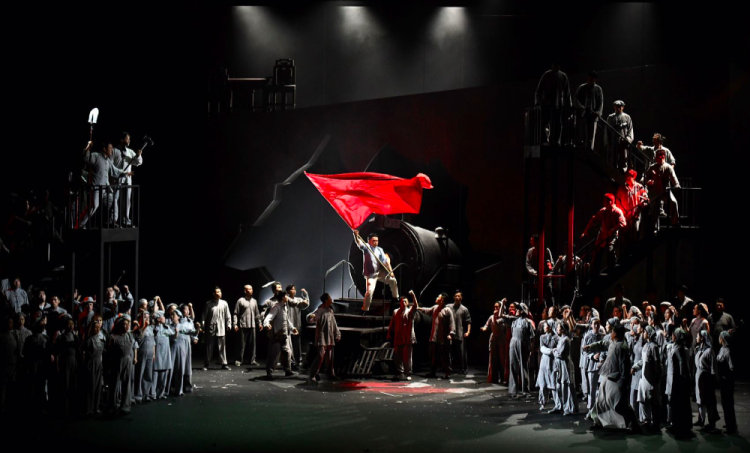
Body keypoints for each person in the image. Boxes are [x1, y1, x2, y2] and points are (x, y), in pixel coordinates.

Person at [585, 319, 639, 431]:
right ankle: (598, 421)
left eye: (613, 332)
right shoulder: (612, 342)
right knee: (600, 400)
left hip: (616, 379)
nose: (611, 333)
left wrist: (622, 383)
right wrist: (591, 347)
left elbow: (625, 368)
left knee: (620, 404)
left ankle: (634, 424)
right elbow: (602, 344)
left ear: (616, 334)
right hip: (607, 376)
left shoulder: (622, 347)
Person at [79, 140, 132, 227]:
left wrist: (125, 173)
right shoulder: (96, 156)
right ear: (104, 149)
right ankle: (79, 225)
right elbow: (85, 158)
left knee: (113, 202)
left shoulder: (108, 160)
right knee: (93, 207)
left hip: (105, 189)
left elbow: (115, 170)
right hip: (96, 189)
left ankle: (112, 222)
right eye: (110, 148)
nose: (112, 150)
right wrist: (88, 147)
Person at [581, 194, 626, 276]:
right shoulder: (603, 211)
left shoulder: (617, 212)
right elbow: (593, 219)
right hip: (602, 235)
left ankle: (612, 268)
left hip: (612, 235)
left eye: (606, 201)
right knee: (597, 253)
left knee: (610, 250)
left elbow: (623, 223)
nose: (604, 202)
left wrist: (613, 229)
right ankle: (594, 273)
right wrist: (585, 231)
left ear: (611, 202)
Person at [353, 231, 399, 312]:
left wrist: (391, 271)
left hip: (379, 272)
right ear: (369, 241)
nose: (375, 242)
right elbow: (359, 243)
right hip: (371, 275)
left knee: (393, 280)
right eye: (373, 241)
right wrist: (356, 236)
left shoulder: (379, 250)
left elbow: (385, 261)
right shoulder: (366, 247)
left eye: (377, 241)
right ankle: (365, 309)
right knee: (369, 292)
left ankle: (395, 298)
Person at [417, 292, 455, 379]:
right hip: (434, 337)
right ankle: (433, 372)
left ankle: (447, 372)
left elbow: (451, 323)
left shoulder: (447, 310)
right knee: (433, 356)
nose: (437, 297)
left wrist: (451, 334)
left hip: (443, 338)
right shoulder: (435, 308)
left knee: (445, 356)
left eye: (438, 297)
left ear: (442, 300)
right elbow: (427, 310)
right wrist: (418, 308)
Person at [534, 61, 572, 146]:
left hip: (558, 105)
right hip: (547, 105)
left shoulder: (563, 76)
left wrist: (569, 106)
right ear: (552, 65)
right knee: (545, 123)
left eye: (557, 65)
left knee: (558, 124)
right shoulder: (546, 75)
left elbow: (567, 93)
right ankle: (545, 141)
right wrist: (539, 103)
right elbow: (538, 91)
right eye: (554, 65)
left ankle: (556, 142)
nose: (555, 67)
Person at [502, 302, 536, 398]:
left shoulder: (528, 322)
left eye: (518, 309)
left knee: (524, 367)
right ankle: (513, 391)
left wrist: (531, 349)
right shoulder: (513, 320)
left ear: (523, 311)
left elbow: (532, 337)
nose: (516, 310)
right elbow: (501, 316)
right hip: (513, 342)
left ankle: (525, 391)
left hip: (523, 343)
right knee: (513, 365)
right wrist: (502, 304)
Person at [263, 290, 299, 379]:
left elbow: (287, 320)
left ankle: (288, 370)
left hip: (284, 335)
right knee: (274, 355)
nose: (288, 297)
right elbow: (268, 317)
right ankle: (269, 373)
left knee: (287, 353)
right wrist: (267, 324)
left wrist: (292, 328)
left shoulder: (285, 307)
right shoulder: (276, 307)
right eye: (286, 296)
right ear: (283, 297)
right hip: (277, 335)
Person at [306, 293, 341, 383]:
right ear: (326, 300)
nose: (331, 299)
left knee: (330, 357)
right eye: (329, 298)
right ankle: (313, 374)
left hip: (330, 336)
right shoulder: (320, 310)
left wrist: (337, 334)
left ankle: (330, 373)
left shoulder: (330, 311)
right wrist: (310, 317)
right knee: (320, 356)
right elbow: (312, 319)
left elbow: (334, 324)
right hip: (322, 337)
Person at [111, 132, 143, 227]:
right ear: (121, 139)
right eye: (127, 138)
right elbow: (110, 165)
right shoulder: (114, 151)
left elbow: (138, 163)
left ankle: (125, 220)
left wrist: (138, 156)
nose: (129, 140)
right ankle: (113, 220)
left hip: (127, 180)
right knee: (114, 199)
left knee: (127, 200)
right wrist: (121, 172)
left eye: (129, 138)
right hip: (116, 179)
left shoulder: (130, 151)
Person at [645, 149, 681, 233]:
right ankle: (654, 228)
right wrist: (648, 182)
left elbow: (673, 177)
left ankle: (675, 223)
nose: (660, 158)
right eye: (658, 156)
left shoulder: (668, 167)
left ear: (664, 157)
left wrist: (676, 184)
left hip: (665, 191)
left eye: (662, 156)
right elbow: (646, 178)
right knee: (654, 208)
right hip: (655, 192)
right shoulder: (652, 167)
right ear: (656, 157)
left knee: (673, 202)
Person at [106, 314, 136, 415]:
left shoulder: (130, 335)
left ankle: (125, 406)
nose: (126, 326)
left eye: (127, 324)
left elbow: (139, 332)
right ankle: (112, 406)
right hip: (117, 361)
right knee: (114, 384)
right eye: (124, 324)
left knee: (127, 384)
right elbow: (109, 352)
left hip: (127, 360)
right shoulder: (114, 337)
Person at [666, 328, 692, 436]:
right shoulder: (677, 347)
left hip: (678, 380)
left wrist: (681, 375)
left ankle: (679, 426)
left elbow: (681, 362)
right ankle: (677, 424)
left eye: (673, 334)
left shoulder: (679, 348)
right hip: (676, 378)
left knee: (678, 403)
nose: (672, 336)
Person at [634, 325, 661, 430]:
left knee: (653, 400)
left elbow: (657, 363)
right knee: (643, 399)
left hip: (651, 377)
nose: (643, 333)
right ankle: (646, 420)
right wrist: (635, 367)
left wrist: (656, 378)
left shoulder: (654, 347)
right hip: (644, 376)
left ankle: (655, 422)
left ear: (649, 334)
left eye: (645, 332)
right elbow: (643, 361)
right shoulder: (645, 345)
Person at [388, 292, 418, 381]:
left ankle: (408, 373)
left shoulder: (410, 311)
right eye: (402, 301)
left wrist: (413, 295)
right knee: (397, 356)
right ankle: (400, 373)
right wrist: (389, 333)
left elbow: (415, 306)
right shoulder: (396, 311)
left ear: (407, 303)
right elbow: (392, 323)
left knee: (407, 357)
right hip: (398, 336)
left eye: (405, 301)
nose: (403, 303)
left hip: (407, 337)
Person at [615, 170, 648, 252]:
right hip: (625, 215)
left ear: (634, 177)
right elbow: (617, 201)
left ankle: (633, 251)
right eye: (626, 176)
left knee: (635, 233)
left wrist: (642, 203)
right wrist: (622, 213)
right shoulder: (621, 188)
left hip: (635, 214)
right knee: (624, 236)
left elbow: (645, 198)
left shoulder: (639, 187)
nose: (626, 178)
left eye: (629, 176)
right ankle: (624, 253)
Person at [52, 314, 78, 417]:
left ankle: (72, 409)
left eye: (72, 324)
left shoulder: (75, 336)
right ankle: (64, 410)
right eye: (69, 324)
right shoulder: (61, 337)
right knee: (65, 385)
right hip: (65, 362)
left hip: (73, 362)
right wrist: (57, 365)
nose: (71, 326)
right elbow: (57, 353)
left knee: (73, 385)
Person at [694, 330, 719, 432]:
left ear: (702, 338)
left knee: (708, 400)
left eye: (698, 336)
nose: (696, 338)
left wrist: (714, 379)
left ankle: (711, 423)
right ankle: (701, 419)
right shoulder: (698, 350)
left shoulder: (709, 351)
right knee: (699, 398)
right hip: (698, 376)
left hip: (706, 377)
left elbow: (713, 367)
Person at [202, 287, 232, 370]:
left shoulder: (224, 303)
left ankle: (224, 363)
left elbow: (228, 315)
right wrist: (203, 326)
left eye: (220, 291)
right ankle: (206, 364)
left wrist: (229, 324)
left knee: (222, 347)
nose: (219, 293)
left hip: (221, 328)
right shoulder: (209, 304)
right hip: (211, 328)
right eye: (217, 292)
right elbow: (204, 316)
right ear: (214, 294)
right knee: (209, 347)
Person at [81, 313, 105, 417]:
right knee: (91, 386)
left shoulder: (100, 339)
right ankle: (89, 408)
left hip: (99, 364)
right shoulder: (89, 340)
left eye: (99, 327)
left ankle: (96, 407)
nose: (97, 329)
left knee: (98, 386)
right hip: (91, 364)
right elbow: (82, 351)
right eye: (95, 327)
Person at [551, 321, 577, 415]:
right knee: (561, 386)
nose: (557, 329)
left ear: (562, 329)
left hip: (565, 364)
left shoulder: (565, 340)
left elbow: (560, 354)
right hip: (560, 365)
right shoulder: (561, 339)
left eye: (558, 327)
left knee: (567, 385)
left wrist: (554, 351)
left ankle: (570, 408)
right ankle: (562, 406)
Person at [233, 285, 262, 368]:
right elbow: (235, 313)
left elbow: (257, 314)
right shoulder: (240, 300)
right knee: (241, 344)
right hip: (243, 325)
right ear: (245, 291)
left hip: (252, 325)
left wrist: (259, 323)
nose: (250, 290)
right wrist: (235, 324)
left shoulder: (254, 301)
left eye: (251, 289)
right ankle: (239, 360)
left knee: (253, 344)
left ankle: (252, 360)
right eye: (248, 289)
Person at [574, 71, 604, 150]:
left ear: (595, 79)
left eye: (592, 78)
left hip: (593, 115)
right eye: (590, 77)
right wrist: (581, 107)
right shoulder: (582, 87)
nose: (590, 79)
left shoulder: (598, 89)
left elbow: (600, 102)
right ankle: (581, 148)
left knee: (591, 135)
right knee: (581, 133)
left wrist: (598, 112)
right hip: (582, 114)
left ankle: (590, 149)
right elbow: (576, 99)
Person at [525, 235, 554, 312]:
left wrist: (549, 273)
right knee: (533, 296)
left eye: (532, 240)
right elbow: (528, 264)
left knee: (548, 295)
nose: (530, 242)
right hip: (534, 278)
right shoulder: (530, 251)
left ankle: (551, 311)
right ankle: (534, 311)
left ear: (536, 241)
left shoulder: (546, 250)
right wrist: (534, 272)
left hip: (545, 278)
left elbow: (550, 263)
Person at [170, 309, 196, 396]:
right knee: (170, 370)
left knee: (180, 369)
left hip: (181, 349)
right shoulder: (169, 326)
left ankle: (179, 390)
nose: (171, 317)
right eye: (171, 315)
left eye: (173, 315)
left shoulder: (182, 326)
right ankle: (167, 390)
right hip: (171, 349)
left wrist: (197, 330)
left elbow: (192, 332)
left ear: (178, 317)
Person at [603, 100, 634, 171]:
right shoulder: (610, 117)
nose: (618, 108)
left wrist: (628, 139)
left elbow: (630, 130)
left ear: (623, 107)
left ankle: (623, 172)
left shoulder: (627, 117)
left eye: (620, 106)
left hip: (624, 142)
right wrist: (607, 142)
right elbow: (607, 130)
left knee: (624, 160)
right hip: (613, 141)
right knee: (613, 159)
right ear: (614, 107)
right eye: (617, 106)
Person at [481, 300, 507, 384]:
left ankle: (503, 378)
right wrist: (484, 328)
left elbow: (496, 323)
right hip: (493, 339)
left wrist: (496, 315)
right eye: (494, 307)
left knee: (502, 359)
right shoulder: (491, 317)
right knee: (493, 359)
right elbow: (487, 325)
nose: (495, 308)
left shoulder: (503, 317)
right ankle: (493, 378)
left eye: (497, 307)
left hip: (501, 339)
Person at [581, 318, 604, 413]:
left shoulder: (602, 336)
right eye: (594, 324)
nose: (596, 326)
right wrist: (592, 356)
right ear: (591, 325)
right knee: (592, 388)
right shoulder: (587, 336)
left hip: (602, 364)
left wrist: (601, 355)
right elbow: (584, 351)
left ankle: (600, 408)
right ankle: (591, 408)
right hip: (592, 365)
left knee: (601, 388)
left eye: (598, 324)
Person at [285, 284, 310, 370]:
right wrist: (302, 301)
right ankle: (290, 361)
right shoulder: (286, 299)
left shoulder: (298, 299)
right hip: (288, 324)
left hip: (297, 324)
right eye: (292, 289)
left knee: (296, 344)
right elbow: (293, 302)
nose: (294, 291)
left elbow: (306, 304)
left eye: (294, 289)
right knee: (289, 345)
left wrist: (306, 295)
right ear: (288, 291)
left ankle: (297, 361)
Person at [133, 310, 155, 403]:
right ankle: (138, 395)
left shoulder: (150, 328)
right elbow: (139, 335)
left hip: (150, 353)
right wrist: (142, 317)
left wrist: (154, 354)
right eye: (145, 317)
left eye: (148, 317)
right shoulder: (139, 328)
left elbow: (153, 342)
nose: (147, 319)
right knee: (140, 374)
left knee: (148, 374)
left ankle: (146, 394)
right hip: (142, 353)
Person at [717, 331, 736, 434]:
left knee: (728, 403)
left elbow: (731, 367)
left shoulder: (727, 351)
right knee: (725, 403)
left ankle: (731, 426)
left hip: (727, 381)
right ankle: (729, 422)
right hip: (722, 379)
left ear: (722, 339)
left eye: (720, 337)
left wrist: (727, 378)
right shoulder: (722, 349)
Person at [537, 319, 558, 411]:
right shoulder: (542, 337)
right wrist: (551, 351)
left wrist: (553, 351)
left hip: (552, 362)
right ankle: (543, 402)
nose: (545, 327)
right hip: (544, 362)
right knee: (543, 384)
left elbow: (557, 349)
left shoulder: (556, 338)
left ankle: (557, 403)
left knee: (553, 383)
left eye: (546, 326)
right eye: (544, 326)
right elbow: (542, 348)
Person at [151, 311, 173, 400]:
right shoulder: (153, 328)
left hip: (165, 354)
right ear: (159, 319)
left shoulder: (166, 328)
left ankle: (161, 393)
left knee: (164, 375)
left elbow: (173, 335)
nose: (164, 318)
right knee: (155, 375)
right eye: (163, 316)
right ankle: (153, 394)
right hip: (157, 353)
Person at [450, 291, 471, 374]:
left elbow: (468, 321)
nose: (457, 297)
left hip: (460, 333)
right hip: (451, 333)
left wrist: (468, 332)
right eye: (456, 296)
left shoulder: (464, 309)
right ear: (453, 297)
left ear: (461, 298)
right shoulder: (449, 307)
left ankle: (463, 367)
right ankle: (449, 367)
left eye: (459, 296)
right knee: (450, 351)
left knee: (462, 352)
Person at [0, 317, 16, 412]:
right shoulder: (2, 336)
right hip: (4, 367)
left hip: (13, 367)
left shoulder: (13, 335)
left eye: (12, 322)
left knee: (11, 389)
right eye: (9, 322)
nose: (11, 324)